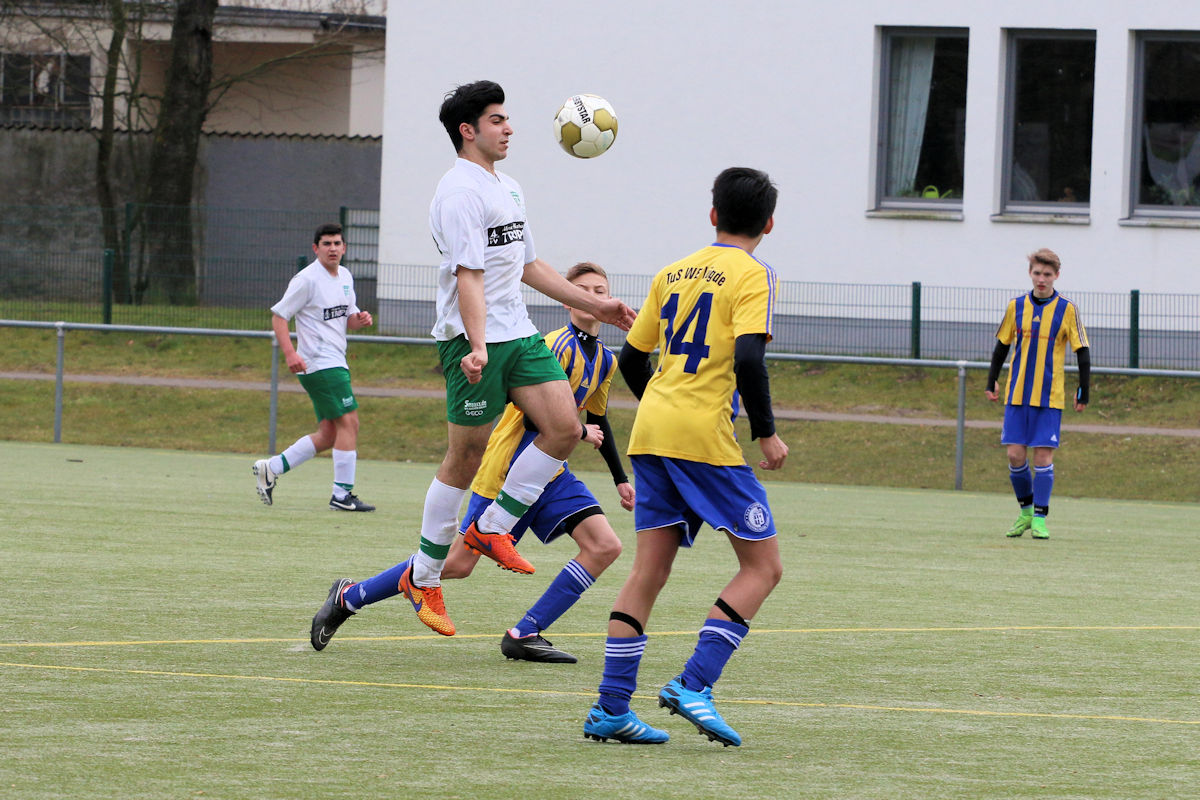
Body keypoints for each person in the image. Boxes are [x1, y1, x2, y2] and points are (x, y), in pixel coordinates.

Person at [312, 80, 636, 644]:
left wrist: (597, 305)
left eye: (507, 119)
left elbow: (531, 266)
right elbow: (469, 275)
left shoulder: (507, 187)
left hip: (519, 332)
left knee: (562, 428)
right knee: (465, 460)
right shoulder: (458, 192)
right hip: (472, 339)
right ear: (468, 130)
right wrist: (479, 345)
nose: (509, 128)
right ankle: (425, 578)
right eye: (497, 120)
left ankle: (491, 529)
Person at [309, 262, 633, 662]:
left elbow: (598, 419)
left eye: (602, 291)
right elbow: (537, 414)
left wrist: (621, 478)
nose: (595, 297)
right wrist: (579, 432)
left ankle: (525, 632)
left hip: (552, 472)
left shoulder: (605, 358)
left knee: (604, 546)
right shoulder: (553, 345)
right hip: (508, 468)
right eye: (585, 290)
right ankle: (350, 596)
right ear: (568, 300)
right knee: (459, 564)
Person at [582, 167, 787, 748]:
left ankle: (610, 709)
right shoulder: (755, 274)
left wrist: (662, 405)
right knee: (763, 567)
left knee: (649, 571)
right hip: (703, 438)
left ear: (713, 214)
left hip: (651, 432)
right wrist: (766, 434)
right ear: (769, 224)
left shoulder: (672, 271)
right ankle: (695, 684)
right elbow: (748, 360)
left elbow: (632, 359)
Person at [252, 223, 375, 512]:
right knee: (350, 422)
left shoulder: (345, 276)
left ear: (344, 248)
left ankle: (271, 468)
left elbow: (348, 318)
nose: (332, 248)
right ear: (315, 248)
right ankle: (342, 496)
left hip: (336, 361)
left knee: (330, 434)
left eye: (337, 243)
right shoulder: (306, 279)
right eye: (326, 243)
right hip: (319, 364)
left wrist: (361, 320)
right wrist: (290, 353)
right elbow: (279, 317)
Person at [986, 248, 1090, 540]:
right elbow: (1001, 347)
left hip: (1049, 397)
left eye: (1047, 274)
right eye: (1037, 273)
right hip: (1017, 394)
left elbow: (1082, 350)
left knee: (1043, 458)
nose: (1041, 279)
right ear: (1030, 274)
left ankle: (1041, 518)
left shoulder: (1067, 309)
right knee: (1015, 455)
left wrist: (1084, 389)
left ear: (1056, 276)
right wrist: (991, 380)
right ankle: (1026, 511)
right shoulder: (1016, 306)